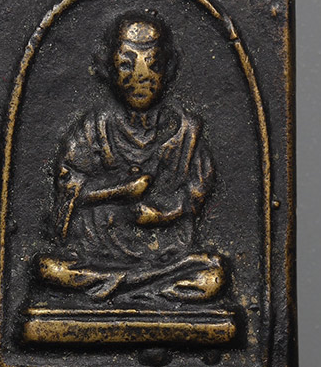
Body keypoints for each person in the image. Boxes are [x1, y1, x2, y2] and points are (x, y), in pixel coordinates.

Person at [38, 15, 225, 301]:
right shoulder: (93, 128)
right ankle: (144, 289)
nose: (141, 77)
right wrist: (121, 190)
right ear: (108, 68)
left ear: (168, 69)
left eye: (152, 65)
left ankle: (121, 288)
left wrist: (162, 215)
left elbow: (196, 194)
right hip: (98, 254)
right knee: (47, 268)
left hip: (165, 256)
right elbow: (68, 190)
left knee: (214, 276)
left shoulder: (187, 132)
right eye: (127, 65)